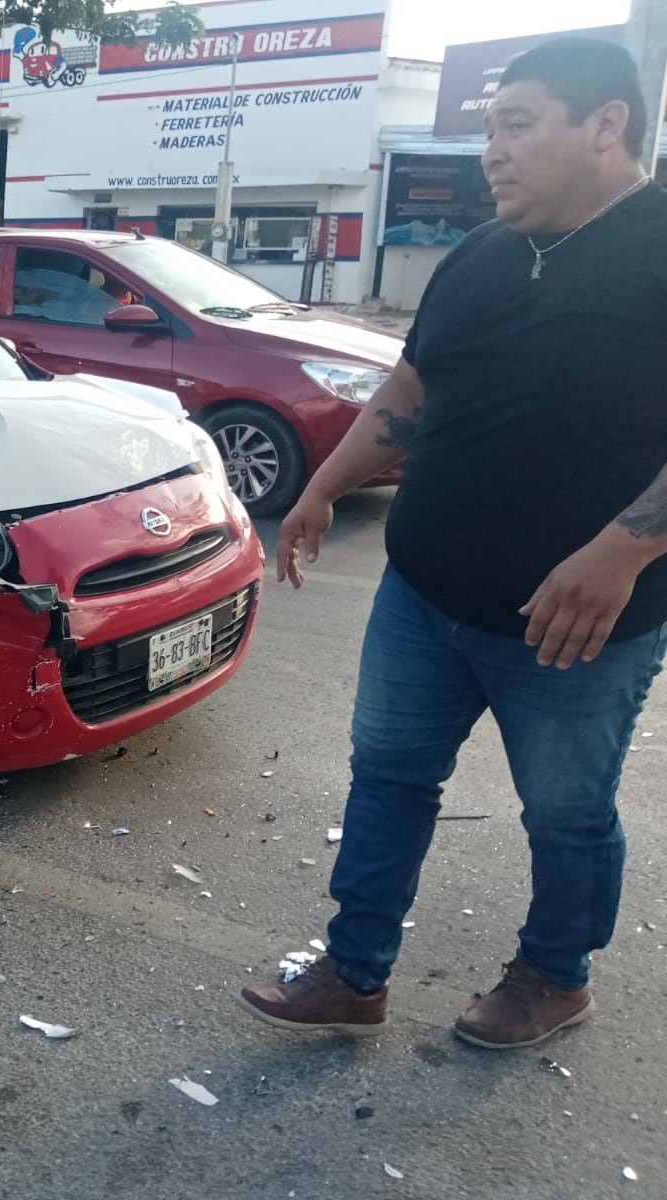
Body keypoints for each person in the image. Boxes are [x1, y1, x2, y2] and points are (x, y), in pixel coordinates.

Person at [241, 37, 667, 1049]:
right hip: (421, 597)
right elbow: (407, 392)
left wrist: (623, 548)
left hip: (574, 628)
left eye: (517, 125)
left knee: (565, 812)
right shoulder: (478, 255)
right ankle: (353, 973)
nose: (491, 153)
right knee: (386, 777)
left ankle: (555, 977)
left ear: (605, 124)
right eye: (488, 130)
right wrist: (319, 489)